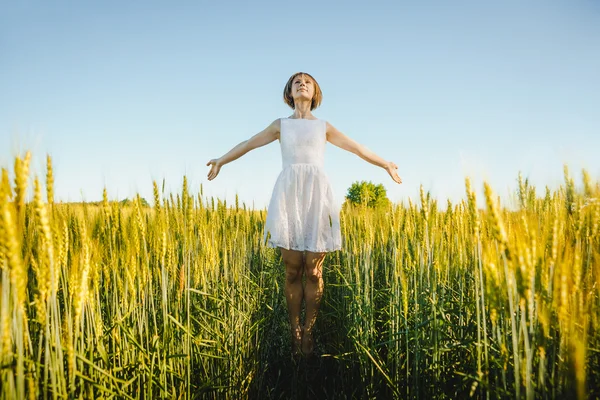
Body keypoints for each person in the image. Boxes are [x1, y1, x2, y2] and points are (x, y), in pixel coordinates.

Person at [206, 72, 402, 357]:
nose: (302, 83)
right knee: (292, 270)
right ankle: (294, 328)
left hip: (316, 197)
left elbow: (357, 147)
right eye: (296, 81)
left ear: (315, 93)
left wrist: (385, 164)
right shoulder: (280, 126)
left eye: (307, 81)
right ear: (289, 91)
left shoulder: (323, 127)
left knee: (313, 271)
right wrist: (222, 160)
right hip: (288, 196)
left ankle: (309, 330)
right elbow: (249, 143)